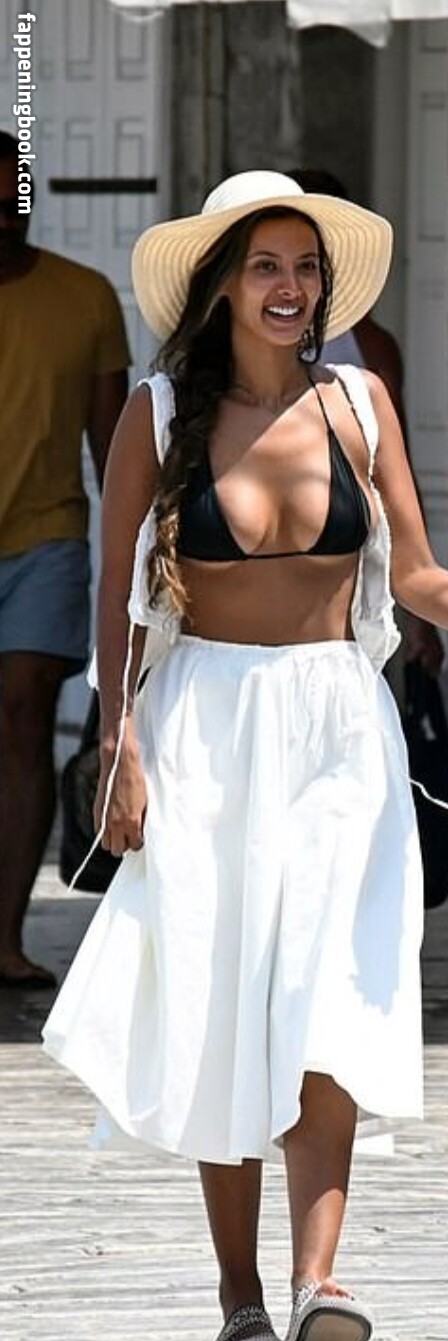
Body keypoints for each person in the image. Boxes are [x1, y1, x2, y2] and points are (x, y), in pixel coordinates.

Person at [41, 170, 448, 1341]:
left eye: (306, 267)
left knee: (326, 995)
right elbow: (119, 594)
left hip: (339, 728)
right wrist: (120, 743)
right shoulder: (155, 415)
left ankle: (317, 1280)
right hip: (202, 728)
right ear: (222, 287)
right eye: (266, 267)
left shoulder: (358, 401)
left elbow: (416, 573)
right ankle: (239, 1295)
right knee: (221, 1001)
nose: (291, 288)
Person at [0, 130, 129, 988]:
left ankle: (4, 937)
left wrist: (138, 557)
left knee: (23, 716)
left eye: (11, 197)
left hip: (46, 538)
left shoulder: (84, 297)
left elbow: (115, 447)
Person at [287, 168, 444, 678]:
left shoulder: (370, 349)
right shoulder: (210, 363)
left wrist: (423, 618)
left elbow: (395, 477)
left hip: (344, 589)